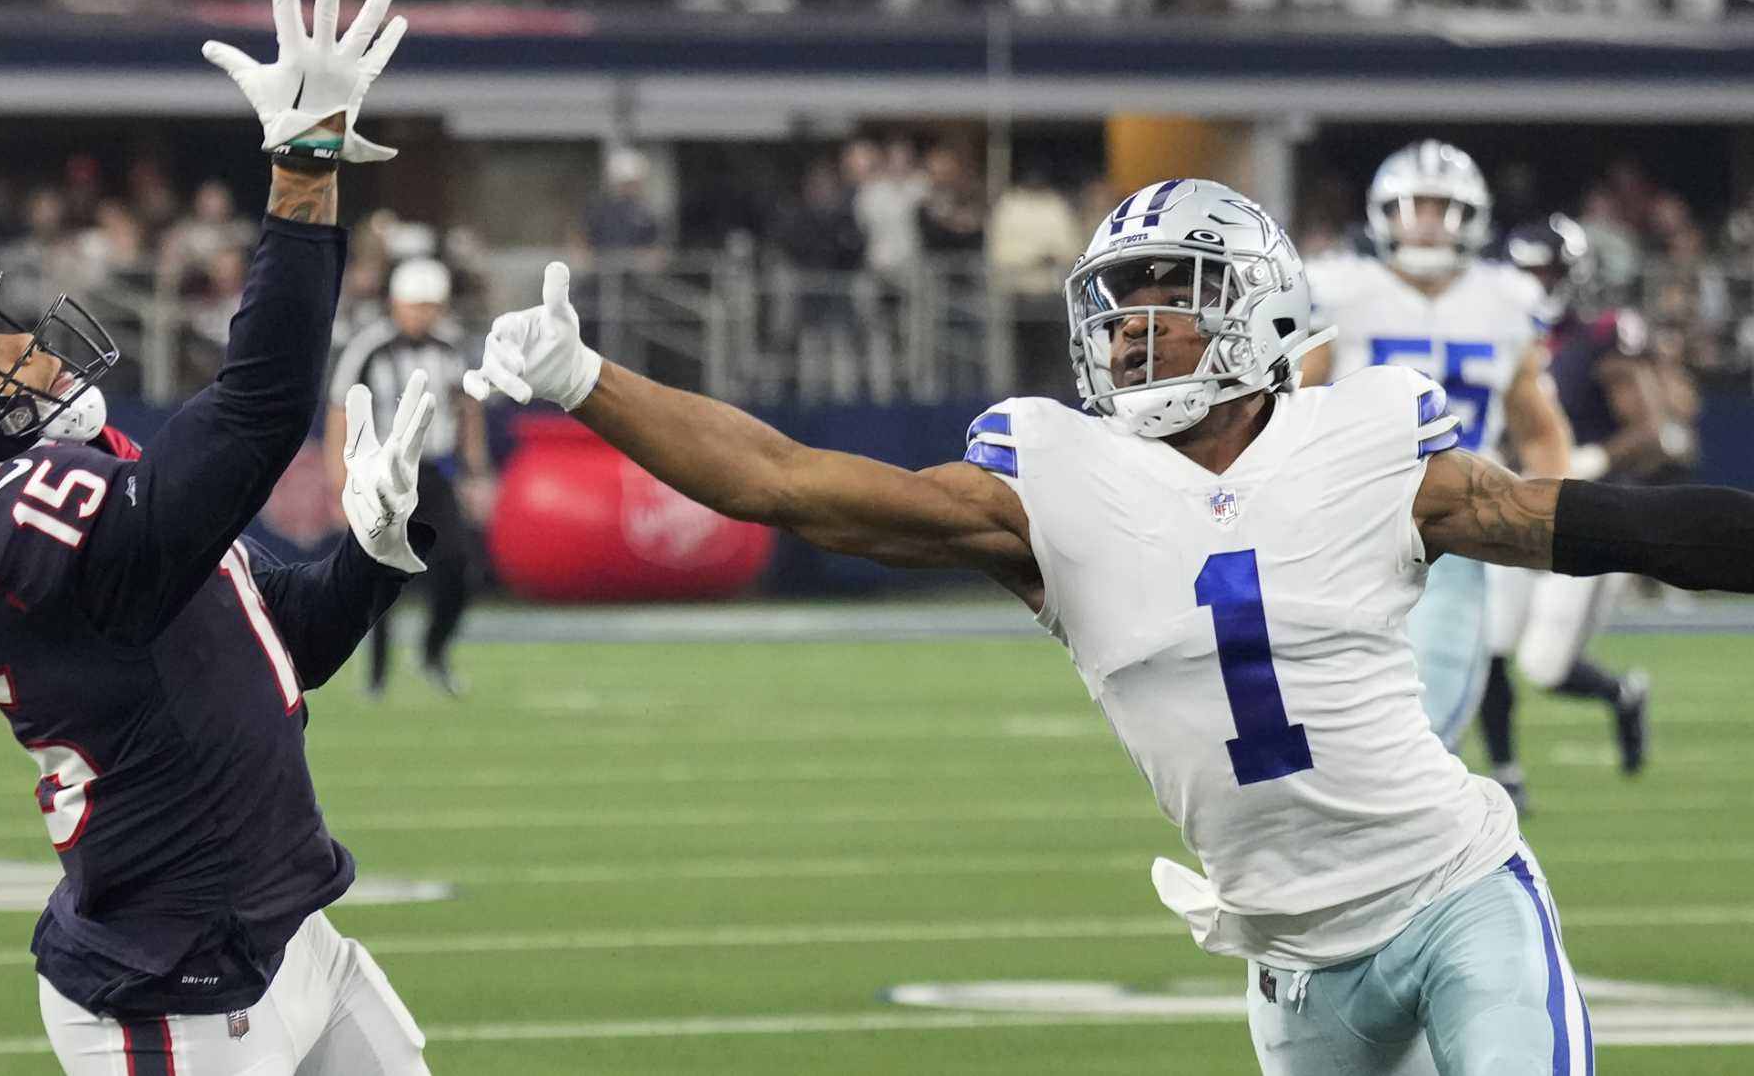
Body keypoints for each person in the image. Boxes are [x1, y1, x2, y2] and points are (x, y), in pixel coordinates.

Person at [470, 176, 1754, 1074]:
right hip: (1290, 964)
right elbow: (787, 485)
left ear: (1253, 307)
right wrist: (588, 382)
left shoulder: (1365, 441)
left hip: (1453, 894)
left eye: (1170, 293)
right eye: (1117, 299)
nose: (1132, 328)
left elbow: (1610, 526)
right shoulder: (1050, 481)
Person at [0, 0, 440, 1075]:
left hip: (288, 942)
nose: (31, 349)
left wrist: (370, 557)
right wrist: (304, 167)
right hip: (171, 995)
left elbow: (293, 641)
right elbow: (258, 413)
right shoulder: (6, 536)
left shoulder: (73, 486)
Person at [1297, 142, 1572, 762]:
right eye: (1413, 206)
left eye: (1443, 207)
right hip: (1347, 519)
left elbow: (1540, 430)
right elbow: (1290, 408)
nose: (1425, 222)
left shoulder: (1506, 300)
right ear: (1382, 212)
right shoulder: (1341, 290)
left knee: (1428, 722)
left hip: (1458, 520)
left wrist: (1551, 513)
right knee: (1321, 708)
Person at [1477, 216, 1657, 811]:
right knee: (1491, 645)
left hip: (1585, 513)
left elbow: (1649, 430)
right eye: (1526, 272)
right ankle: (1506, 773)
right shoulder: (1495, 338)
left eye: (1547, 272)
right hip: (1514, 505)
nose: (1536, 284)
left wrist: (1591, 457)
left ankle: (1622, 692)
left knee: (1546, 666)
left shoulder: (1601, 338)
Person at [325, 255, 492, 698]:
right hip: (381, 475)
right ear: (396, 303)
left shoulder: (451, 346)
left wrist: (476, 472)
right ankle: (376, 676)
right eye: (415, 305)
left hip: (434, 473)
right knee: (378, 575)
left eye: (430, 305)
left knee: (457, 565)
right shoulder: (367, 348)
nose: (423, 314)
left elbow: (467, 411)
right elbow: (340, 414)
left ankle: (434, 652)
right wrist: (341, 483)